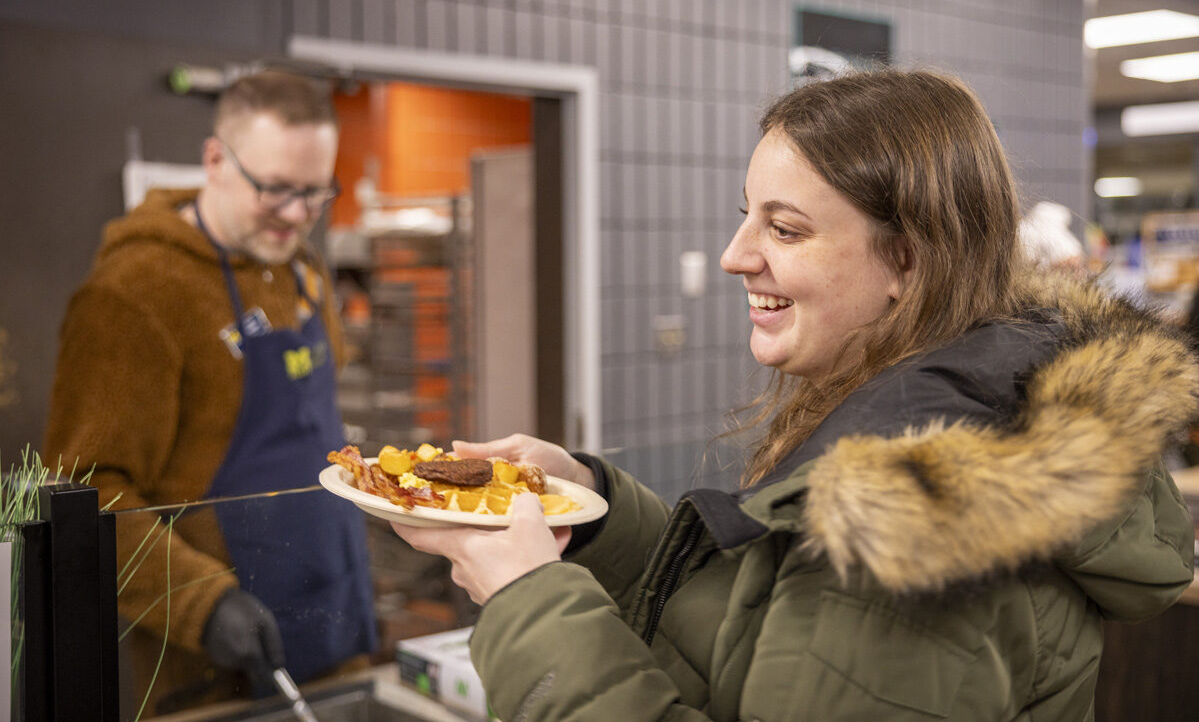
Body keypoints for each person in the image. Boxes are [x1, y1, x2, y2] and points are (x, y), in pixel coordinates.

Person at [395, 69, 1197, 721]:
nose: (732, 257)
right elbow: (752, 634)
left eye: (784, 230)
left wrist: (528, 605)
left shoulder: (896, 532)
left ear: (906, 263)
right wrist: (596, 513)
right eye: (747, 218)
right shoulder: (973, 399)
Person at [44, 70, 376, 713]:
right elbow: (84, 490)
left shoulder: (302, 268)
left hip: (337, 624)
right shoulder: (133, 293)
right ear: (216, 159)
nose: (297, 215)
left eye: (315, 192)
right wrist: (200, 602)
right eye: (276, 189)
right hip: (214, 664)